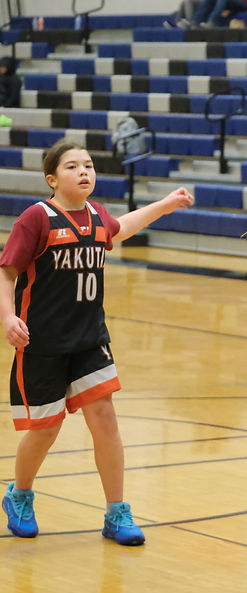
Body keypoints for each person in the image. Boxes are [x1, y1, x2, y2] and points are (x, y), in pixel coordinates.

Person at [1, 140, 193, 546]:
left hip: (89, 340)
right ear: (52, 179)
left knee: (105, 418)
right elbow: (7, 271)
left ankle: (116, 512)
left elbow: (121, 228)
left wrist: (165, 204)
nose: (84, 171)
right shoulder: (36, 219)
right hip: (43, 344)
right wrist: (7, 316)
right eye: (73, 167)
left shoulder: (96, 215)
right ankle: (19, 495)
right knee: (45, 430)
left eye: (88, 165)